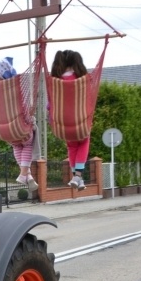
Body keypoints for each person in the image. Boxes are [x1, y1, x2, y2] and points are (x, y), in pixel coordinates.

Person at [0, 57, 38, 192]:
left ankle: (28, 176)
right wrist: (30, 119)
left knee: (17, 146)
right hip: (19, 128)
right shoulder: (14, 90)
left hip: (5, 131)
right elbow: (22, 108)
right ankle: (24, 174)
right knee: (27, 144)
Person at [50, 49, 89, 190]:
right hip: (79, 120)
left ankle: (78, 179)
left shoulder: (55, 81)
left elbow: (50, 104)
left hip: (63, 122)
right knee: (84, 142)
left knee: (72, 146)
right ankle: (78, 175)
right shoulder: (82, 80)